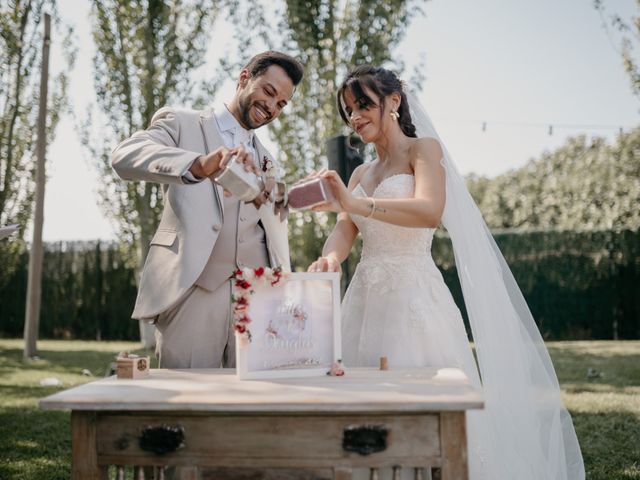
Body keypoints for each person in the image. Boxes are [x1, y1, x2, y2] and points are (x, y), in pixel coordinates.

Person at [308, 65, 585, 479]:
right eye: (349, 110)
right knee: (363, 411)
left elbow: (429, 212)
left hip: (415, 300)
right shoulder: (361, 173)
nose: (355, 117)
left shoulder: (425, 151)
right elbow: (343, 231)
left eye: (363, 105)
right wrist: (331, 258)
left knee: (425, 412)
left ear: (394, 102)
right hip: (364, 300)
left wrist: (355, 203)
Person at [112, 51, 304, 369]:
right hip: (194, 290)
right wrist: (200, 165)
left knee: (251, 404)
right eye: (269, 92)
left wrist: (286, 196)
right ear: (245, 78)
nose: (272, 107)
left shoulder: (269, 157)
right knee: (186, 403)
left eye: (281, 103)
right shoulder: (183, 123)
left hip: (257, 299)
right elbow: (125, 155)